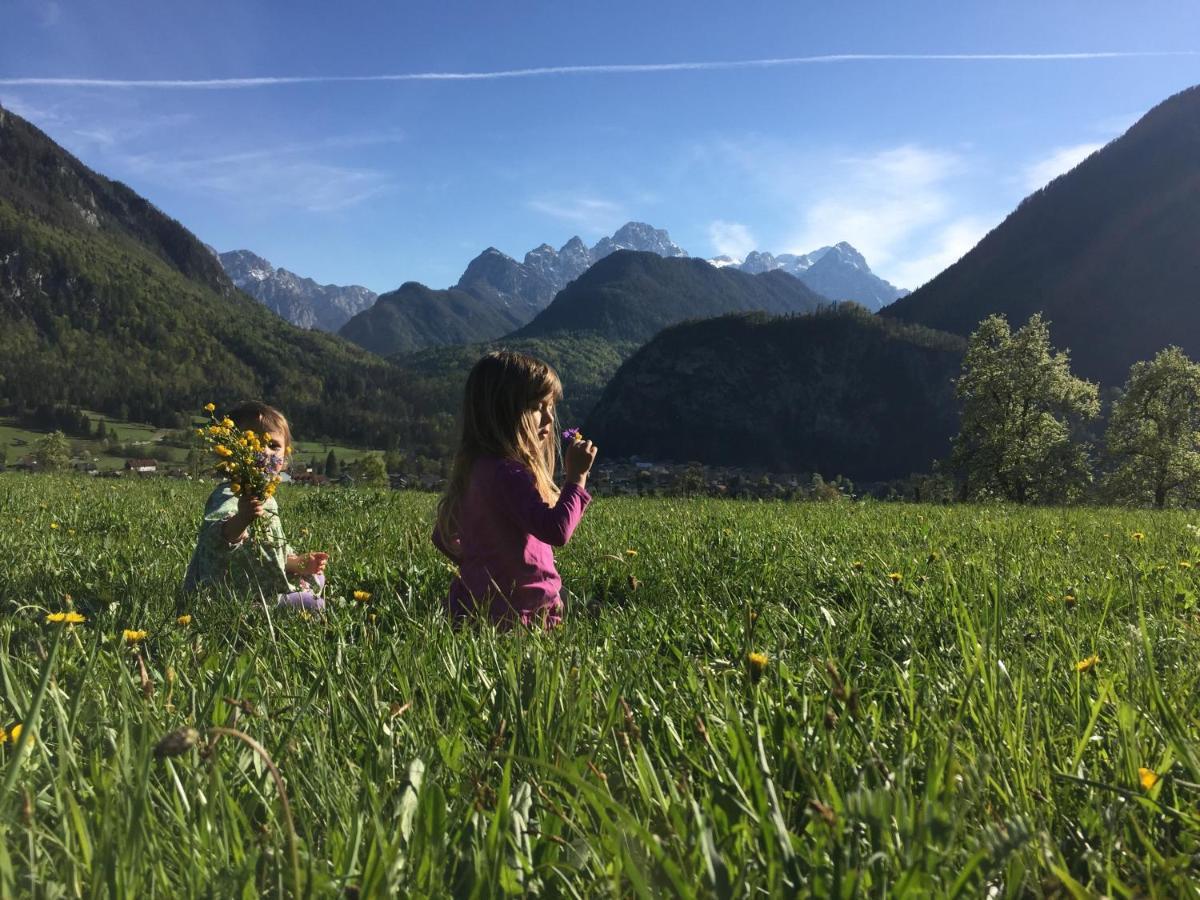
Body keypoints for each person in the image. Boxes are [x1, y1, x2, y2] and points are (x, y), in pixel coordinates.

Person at [432, 351, 597, 628]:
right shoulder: (509, 474)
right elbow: (556, 530)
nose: (548, 418)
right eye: (536, 407)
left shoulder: (476, 468)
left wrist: (483, 569)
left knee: (586, 605)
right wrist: (577, 478)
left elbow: (442, 536)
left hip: (474, 609)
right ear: (501, 412)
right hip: (524, 614)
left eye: (550, 406)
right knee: (595, 612)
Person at [182, 401, 329, 610]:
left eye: (274, 445)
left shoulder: (268, 498)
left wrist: (299, 563)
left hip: (261, 581)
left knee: (317, 575)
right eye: (252, 443)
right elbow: (215, 541)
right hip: (230, 594)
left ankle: (287, 593)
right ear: (232, 452)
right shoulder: (229, 494)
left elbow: (271, 550)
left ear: (285, 459)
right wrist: (242, 519)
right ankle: (265, 607)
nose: (264, 451)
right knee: (313, 605)